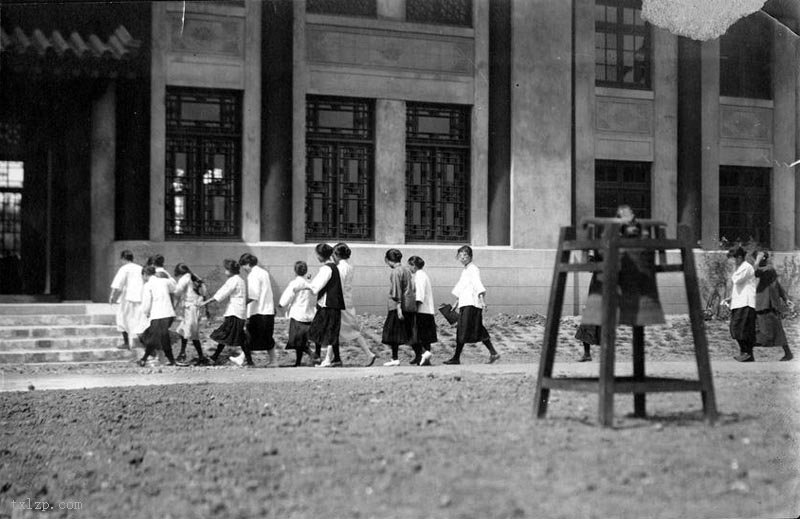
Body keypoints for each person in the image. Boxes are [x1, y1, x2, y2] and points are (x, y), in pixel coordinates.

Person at [445, 245, 500, 365]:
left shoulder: (473, 269)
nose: (463, 258)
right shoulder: (465, 270)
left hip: (472, 304)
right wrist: (456, 302)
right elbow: (463, 287)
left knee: (465, 329)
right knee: (473, 329)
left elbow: (477, 284)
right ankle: (492, 352)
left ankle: (456, 357)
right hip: (466, 303)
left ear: (470, 256)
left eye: (465, 255)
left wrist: (482, 301)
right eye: (460, 255)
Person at [334, 243, 377, 367]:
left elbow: (339, 285)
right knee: (341, 331)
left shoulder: (341, 268)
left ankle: (369, 353)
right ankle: (329, 358)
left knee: (338, 330)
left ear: (337, 255)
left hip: (341, 302)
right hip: (347, 300)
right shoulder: (349, 266)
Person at [197, 259, 248, 365]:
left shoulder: (233, 280)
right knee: (238, 337)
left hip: (234, 312)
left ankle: (215, 357)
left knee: (226, 335)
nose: (225, 272)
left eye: (226, 270)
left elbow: (222, 293)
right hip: (239, 312)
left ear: (230, 270)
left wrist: (206, 302)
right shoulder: (240, 280)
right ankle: (216, 356)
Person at [306, 243, 345, 367]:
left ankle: (327, 359)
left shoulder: (326, 269)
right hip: (332, 304)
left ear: (320, 255)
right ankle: (331, 358)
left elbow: (316, 286)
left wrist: (305, 285)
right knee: (327, 331)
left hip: (328, 304)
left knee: (327, 331)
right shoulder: (333, 267)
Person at [233, 253, 277, 367]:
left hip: (258, 311)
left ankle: (245, 359)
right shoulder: (264, 272)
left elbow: (253, 295)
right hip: (267, 310)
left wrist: (241, 304)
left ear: (247, 264)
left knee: (249, 335)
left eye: (243, 266)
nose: (243, 269)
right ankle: (243, 358)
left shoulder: (253, 275)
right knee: (266, 336)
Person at [753, 250, 793, 361]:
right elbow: (777, 285)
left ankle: (788, 353)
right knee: (759, 328)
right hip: (763, 304)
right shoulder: (767, 270)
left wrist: (785, 299)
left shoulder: (768, 269)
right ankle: (748, 350)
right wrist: (785, 299)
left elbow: (755, 273)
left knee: (776, 330)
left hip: (768, 305)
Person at [381, 249, 417, 367]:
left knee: (392, 333)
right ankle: (421, 353)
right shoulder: (407, 270)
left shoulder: (396, 272)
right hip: (409, 305)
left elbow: (397, 291)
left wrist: (398, 307)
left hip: (397, 307)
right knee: (408, 332)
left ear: (388, 260)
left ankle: (395, 358)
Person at [279, 261, 318, 366]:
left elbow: (288, 296)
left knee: (296, 341)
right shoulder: (309, 284)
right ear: (306, 271)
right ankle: (299, 361)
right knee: (303, 340)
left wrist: (281, 304)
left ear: (295, 271)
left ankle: (309, 355)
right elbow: (315, 293)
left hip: (297, 314)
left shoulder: (294, 283)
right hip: (308, 315)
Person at [138, 265, 179, 366]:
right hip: (168, 313)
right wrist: (168, 277)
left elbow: (147, 302)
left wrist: (146, 312)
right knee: (162, 338)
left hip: (158, 314)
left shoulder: (148, 285)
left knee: (153, 337)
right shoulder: (164, 281)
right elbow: (174, 287)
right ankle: (171, 360)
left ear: (145, 274)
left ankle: (144, 359)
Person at [108, 250, 145, 350]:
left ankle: (127, 342)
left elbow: (117, 283)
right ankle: (142, 342)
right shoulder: (140, 268)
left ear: (123, 259)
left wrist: (112, 295)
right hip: (140, 297)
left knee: (122, 318)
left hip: (128, 297)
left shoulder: (124, 268)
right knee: (138, 319)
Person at [725, 246, 757, 362]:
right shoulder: (741, 268)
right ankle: (745, 352)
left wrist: (733, 270)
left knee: (741, 329)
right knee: (737, 329)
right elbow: (739, 286)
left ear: (739, 257)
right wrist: (731, 298)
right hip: (739, 302)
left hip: (746, 303)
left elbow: (736, 280)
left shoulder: (746, 267)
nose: (734, 261)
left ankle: (747, 353)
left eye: (735, 258)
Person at [173, 263, 208, 365]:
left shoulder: (184, 278)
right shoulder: (194, 277)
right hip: (194, 308)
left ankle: (199, 356)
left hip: (190, 308)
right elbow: (203, 292)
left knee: (191, 333)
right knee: (184, 330)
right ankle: (183, 353)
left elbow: (177, 291)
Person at [409, 255, 437, 366]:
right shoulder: (423, 275)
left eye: (410, 265)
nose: (409, 268)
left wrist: (414, 308)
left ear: (414, 265)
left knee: (417, 336)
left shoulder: (419, 276)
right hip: (427, 310)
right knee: (425, 338)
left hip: (421, 311)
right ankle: (421, 357)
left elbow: (419, 295)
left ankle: (423, 354)